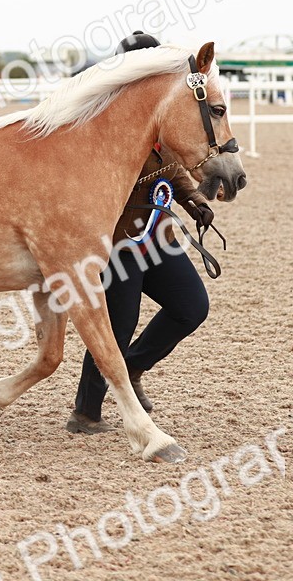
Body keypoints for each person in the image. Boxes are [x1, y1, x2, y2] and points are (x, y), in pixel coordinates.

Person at [67, 32, 216, 434]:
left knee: (191, 306)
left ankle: (132, 367)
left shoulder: (160, 113)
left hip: (156, 234)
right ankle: (86, 410)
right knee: (118, 320)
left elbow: (170, 163)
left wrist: (193, 200)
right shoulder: (106, 122)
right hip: (117, 240)